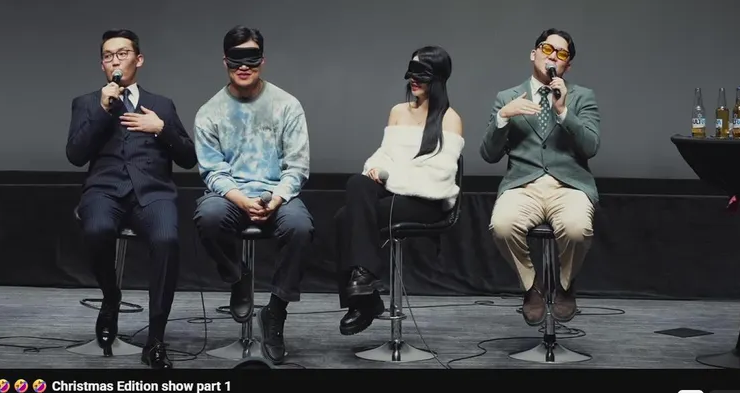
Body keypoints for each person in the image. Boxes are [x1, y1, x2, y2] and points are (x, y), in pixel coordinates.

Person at [65, 30, 197, 369]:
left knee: (166, 240)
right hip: (104, 190)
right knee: (96, 230)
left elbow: (188, 158)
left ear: (138, 60)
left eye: (122, 54)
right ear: (102, 65)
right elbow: (75, 155)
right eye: (108, 56)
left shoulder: (162, 104)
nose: (115, 61)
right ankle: (111, 298)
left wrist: (161, 128)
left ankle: (156, 340)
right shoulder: (86, 103)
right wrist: (102, 109)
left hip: (153, 193)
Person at [193, 26, 313, 364]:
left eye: (251, 58)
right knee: (208, 216)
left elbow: (297, 166)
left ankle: (275, 311)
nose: (244, 66)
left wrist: (276, 198)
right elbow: (213, 171)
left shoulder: (287, 105)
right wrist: (241, 200)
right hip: (230, 196)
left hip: (277, 194)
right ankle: (236, 276)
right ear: (225, 61)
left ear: (263, 60)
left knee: (301, 227)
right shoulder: (209, 112)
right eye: (236, 59)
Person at [336, 46, 464, 336]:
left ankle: (363, 301)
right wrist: (376, 168)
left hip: (427, 200)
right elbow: (385, 155)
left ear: (438, 77)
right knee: (357, 183)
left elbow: (438, 175)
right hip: (395, 193)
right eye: (411, 72)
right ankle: (364, 283)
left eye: (422, 74)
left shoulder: (450, 119)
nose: (413, 80)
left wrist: (388, 177)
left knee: (346, 218)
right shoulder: (398, 111)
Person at [482, 29, 600, 325]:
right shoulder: (507, 97)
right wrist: (503, 118)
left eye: (561, 54)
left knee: (577, 229)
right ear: (533, 53)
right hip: (523, 185)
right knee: (502, 226)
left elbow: (591, 147)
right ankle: (531, 286)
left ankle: (565, 284)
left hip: (569, 186)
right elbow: (488, 154)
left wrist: (564, 112)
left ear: (567, 66)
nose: (553, 57)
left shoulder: (582, 96)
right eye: (547, 49)